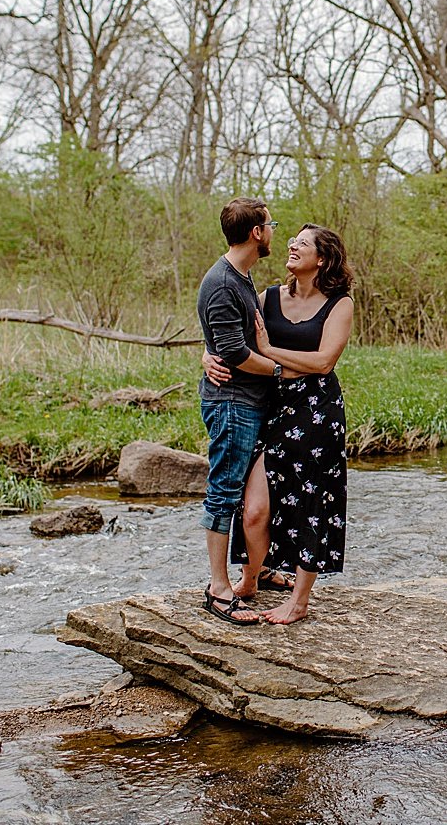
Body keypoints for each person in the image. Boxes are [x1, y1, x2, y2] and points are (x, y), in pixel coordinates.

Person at [204, 223, 354, 625]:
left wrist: (269, 350)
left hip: (316, 412)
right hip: (269, 407)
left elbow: (324, 362)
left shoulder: (339, 304)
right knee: (252, 510)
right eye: (291, 240)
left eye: (301, 243)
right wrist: (208, 355)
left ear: (321, 259)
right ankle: (251, 577)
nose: (291, 244)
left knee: (310, 504)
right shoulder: (267, 296)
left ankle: (300, 600)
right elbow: (229, 335)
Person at [194, 197, 283, 626]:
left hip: (249, 403)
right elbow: (232, 351)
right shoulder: (223, 282)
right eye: (271, 225)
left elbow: (220, 342)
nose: (273, 233)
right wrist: (282, 370)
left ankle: (255, 569)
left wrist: (207, 352)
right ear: (255, 233)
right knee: (225, 492)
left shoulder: (241, 278)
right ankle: (217, 588)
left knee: (253, 493)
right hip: (232, 404)